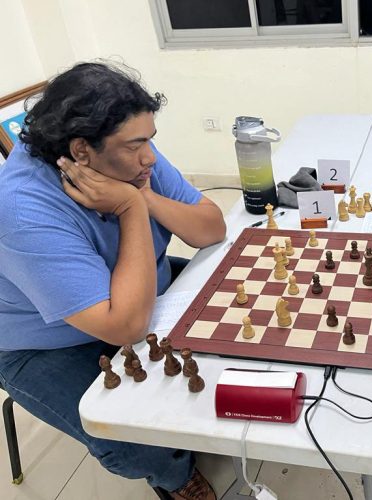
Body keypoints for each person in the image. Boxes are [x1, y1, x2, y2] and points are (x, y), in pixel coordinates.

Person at [0, 62, 227, 500]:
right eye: (136, 145)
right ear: (82, 149)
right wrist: (131, 209)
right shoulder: (21, 209)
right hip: (46, 341)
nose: (150, 158)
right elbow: (124, 327)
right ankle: (176, 476)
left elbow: (210, 229)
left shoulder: (131, 161)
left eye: (150, 141)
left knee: (235, 316)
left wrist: (140, 194)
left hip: (138, 297)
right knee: (132, 440)